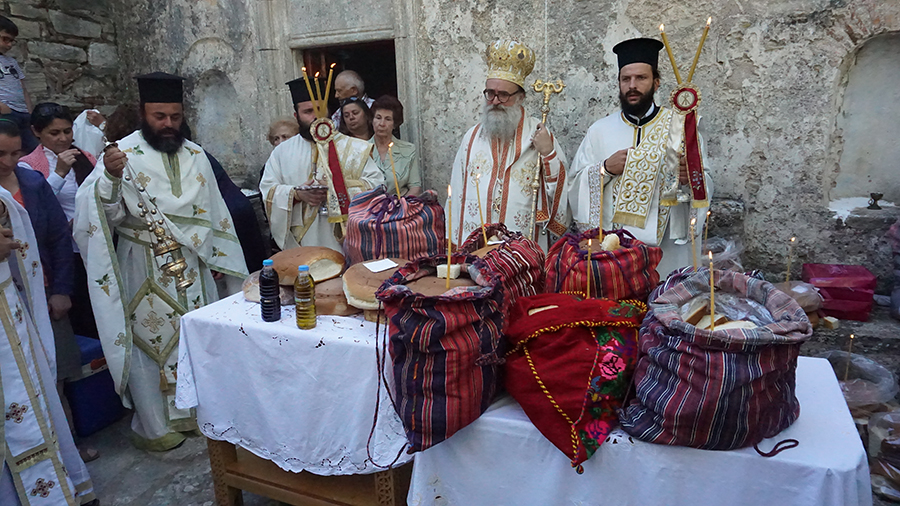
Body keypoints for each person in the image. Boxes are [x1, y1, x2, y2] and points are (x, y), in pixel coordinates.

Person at [73, 72, 248, 451]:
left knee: (196, 336)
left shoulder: (196, 155)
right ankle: (154, 425)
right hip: (142, 261)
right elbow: (102, 215)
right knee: (148, 341)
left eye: (175, 116)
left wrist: (222, 263)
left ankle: (199, 412)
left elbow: (216, 215)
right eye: (159, 116)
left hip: (193, 263)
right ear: (143, 113)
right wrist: (111, 178)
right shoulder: (120, 154)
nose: (168, 124)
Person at [0, 121, 97, 506]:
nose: (8, 162)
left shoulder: (31, 183)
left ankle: (65, 461)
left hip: (30, 303)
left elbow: (57, 237)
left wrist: (60, 289)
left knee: (50, 380)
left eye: (14, 153)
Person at [569, 38, 712, 277]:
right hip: (614, 252)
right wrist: (604, 169)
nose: (632, 86)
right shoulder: (599, 130)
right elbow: (575, 184)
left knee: (666, 298)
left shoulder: (681, 127)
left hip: (667, 251)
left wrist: (689, 180)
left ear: (656, 83)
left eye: (641, 78)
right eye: (626, 79)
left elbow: (705, 182)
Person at [447, 39, 570, 250]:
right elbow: (456, 195)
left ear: (520, 97)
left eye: (504, 95)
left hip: (521, 252)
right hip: (475, 249)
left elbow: (560, 199)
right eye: (490, 93)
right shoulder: (472, 137)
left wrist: (548, 153)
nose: (495, 101)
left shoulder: (539, 135)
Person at [260, 76, 384, 251]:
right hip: (303, 245)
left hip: (348, 243)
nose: (316, 117)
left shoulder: (355, 148)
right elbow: (268, 191)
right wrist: (296, 194)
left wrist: (337, 189)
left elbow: (377, 187)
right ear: (296, 115)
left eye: (320, 109)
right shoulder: (281, 152)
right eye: (308, 111)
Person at [370, 95, 422, 197]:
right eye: (378, 118)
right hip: (370, 206)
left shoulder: (408, 150)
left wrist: (401, 205)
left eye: (388, 119)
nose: (382, 123)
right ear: (372, 120)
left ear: (395, 124)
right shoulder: (361, 149)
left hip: (401, 204)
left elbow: (415, 187)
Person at [0, 16, 37, 153]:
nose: (9, 45)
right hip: (5, 113)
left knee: (33, 150)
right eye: (5, 39)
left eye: (12, 41)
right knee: (9, 151)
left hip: (23, 113)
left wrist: (30, 111)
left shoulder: (12, 62)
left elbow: (23, 88)